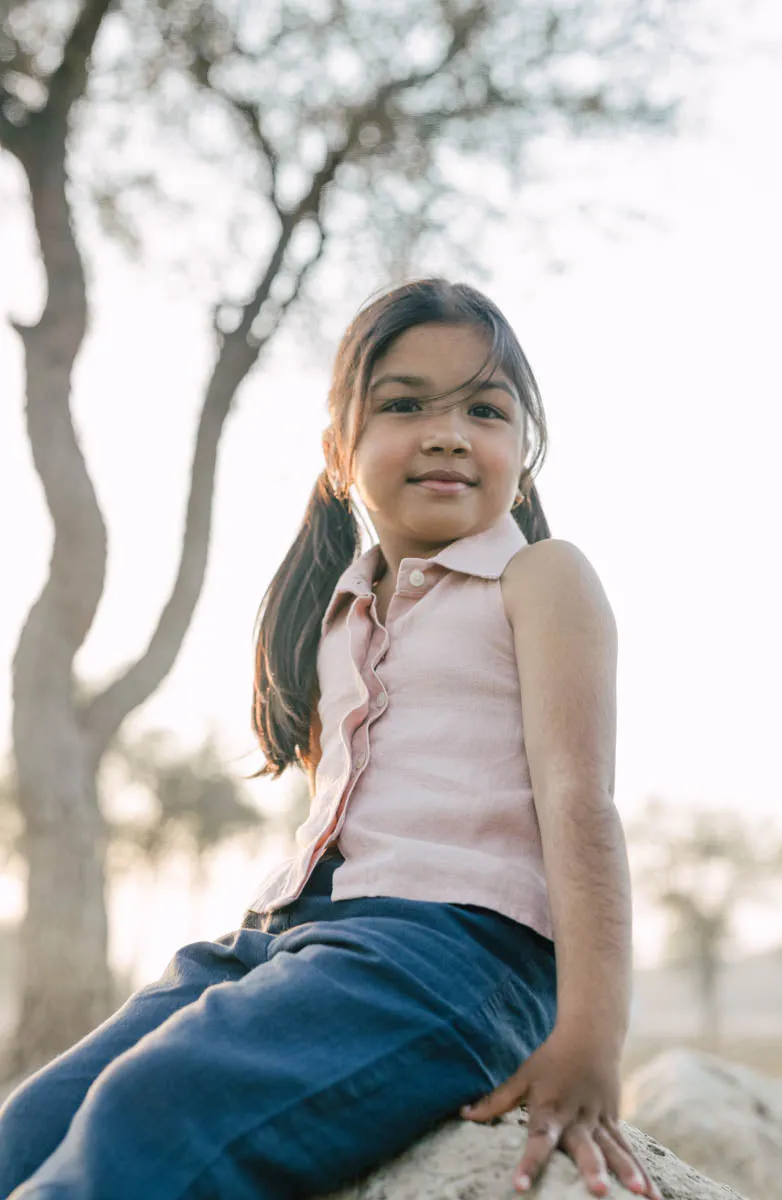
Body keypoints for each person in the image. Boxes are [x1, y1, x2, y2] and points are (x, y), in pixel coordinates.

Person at [0, 278, 661, 1200]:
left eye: (485, 409)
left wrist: (592, 1036)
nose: (448, 432)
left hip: (451, 954)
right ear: (338, 450)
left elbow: (579, 799)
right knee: (31, 1121)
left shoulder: (539, 578)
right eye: (403, 405)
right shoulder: (338, 612)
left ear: (523, 447)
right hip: (284, 944)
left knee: (156, 1108)